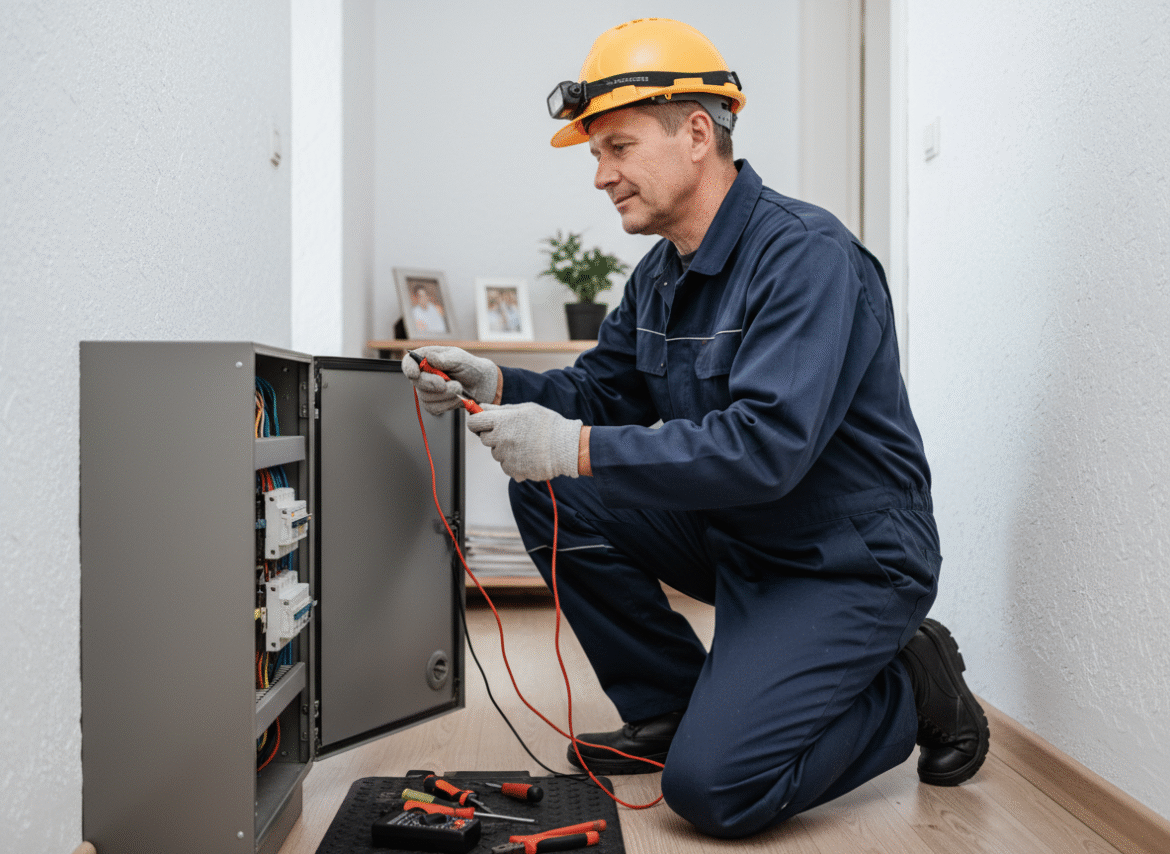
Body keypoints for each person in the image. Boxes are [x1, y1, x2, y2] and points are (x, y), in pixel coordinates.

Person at [401, 17, 989, 839]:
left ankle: (911, 684)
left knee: (716, 792)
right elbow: (598, 392)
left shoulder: (807, 256)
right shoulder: (660, 276)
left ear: (697, 135)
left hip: (845, 561)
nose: (600, 175)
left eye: (618, 147)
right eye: (596, 154)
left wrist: (571, 445)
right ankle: (671, 708)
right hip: (742, 536)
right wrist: (496, 382)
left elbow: (765, 448)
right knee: (550, 490)